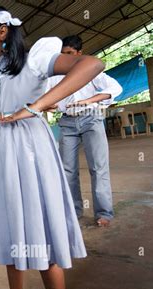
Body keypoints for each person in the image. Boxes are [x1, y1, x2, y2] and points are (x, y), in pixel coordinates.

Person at [0, 6, 106, 289]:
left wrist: (35, 106)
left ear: (2, 32)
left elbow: (91, 64)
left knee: (40, 228)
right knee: (11, 230)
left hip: (32, 151)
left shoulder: (34, 61)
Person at [47, 35, 122, 227]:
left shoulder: (91, 71)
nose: (66, 58)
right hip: (67, 123)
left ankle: (104, 213)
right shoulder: (55, 76)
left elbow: (116, 88)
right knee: (68, 170)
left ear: (79, 53)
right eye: (62, 54)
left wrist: (89, 100)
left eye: (70, 54)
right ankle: (74, 210)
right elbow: (46, 97)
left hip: (91, 119)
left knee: (98, 167)